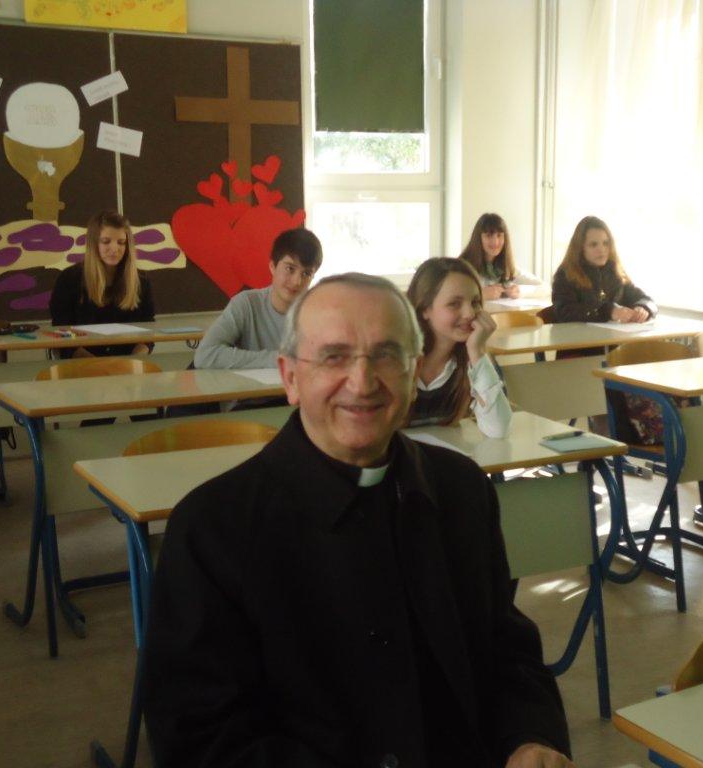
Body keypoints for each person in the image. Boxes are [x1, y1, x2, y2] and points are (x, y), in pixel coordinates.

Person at [143, 273, 573, 768]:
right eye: (334, 357)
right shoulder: (213, 528)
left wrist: (530, 739)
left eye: (387, 355)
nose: (363, 383)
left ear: (414, 373)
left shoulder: (461, 489)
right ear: (289, 377)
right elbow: (200, 737)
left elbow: (505, 650)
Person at [406, 257, 512, 438]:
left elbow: (498, 429)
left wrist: (477, 352)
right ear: (425, 309)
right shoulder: (397, 362)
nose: (469, 313)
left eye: (475, 302)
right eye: (454, 304)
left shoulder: (474, 361)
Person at [194, 227, 322, 369]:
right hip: (249, 384)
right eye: (290, 269)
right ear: (272, 267)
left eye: (306, 274)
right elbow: (205, 355)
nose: (297, 281)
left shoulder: (320, 313)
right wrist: (279, 360)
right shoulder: (246, 304)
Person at [49, 210, 155, 358]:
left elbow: (148, 332)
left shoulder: (141, 280)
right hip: (81, 365)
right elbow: (61, 331)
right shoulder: (69, 279)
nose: (115, 249)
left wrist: (132, 360)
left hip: (128, 364)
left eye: (121, 242)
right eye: (106, 241)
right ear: (93, 244)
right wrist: (98, 364)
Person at [550, 215, 657, 324]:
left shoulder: (616, 271)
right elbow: (565, 312)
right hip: (576, 335)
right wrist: (609, 311)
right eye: (593, 245)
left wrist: (643, 308)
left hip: (613, 334)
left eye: (606, 243)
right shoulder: (565, 274)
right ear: (580, 248)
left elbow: (647, 301)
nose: (601, 249)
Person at [458, 213, 541, 301]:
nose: (495, 242)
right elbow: (451, 296)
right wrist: (480, 295)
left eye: (499, 235)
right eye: (489, 236)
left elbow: (544, 287)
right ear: (478, 238)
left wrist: (520, 291)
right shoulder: (462, 267)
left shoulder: (507, 269)